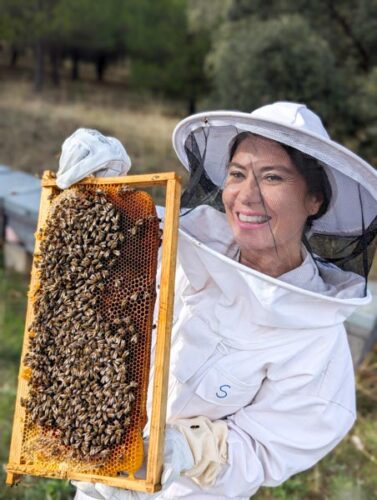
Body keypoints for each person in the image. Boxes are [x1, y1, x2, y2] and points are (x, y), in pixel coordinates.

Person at [56, 102, 377, 500]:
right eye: (237, 174)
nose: (247, 195)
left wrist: (182, 450)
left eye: (272, 177)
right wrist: (101, 183)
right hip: (98, 482)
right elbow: (111, 240)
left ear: (314, 199)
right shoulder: (183, 241)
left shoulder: (316, 343)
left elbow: (264, 449)